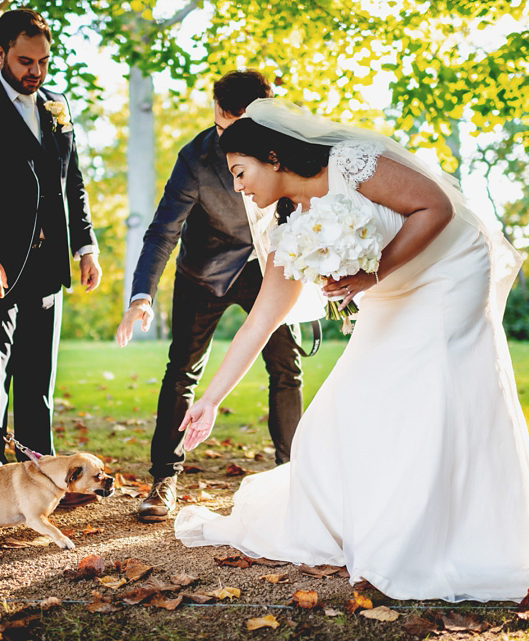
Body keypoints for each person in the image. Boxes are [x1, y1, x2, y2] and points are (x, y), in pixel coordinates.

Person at [173, 99, 529, 602]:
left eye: (240, 171)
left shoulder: (350, 163)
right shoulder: (289, 228)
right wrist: (211, 398)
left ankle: (444, 535)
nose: (237, 186)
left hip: (450, 272)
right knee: (345, 408)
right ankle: (359, 516)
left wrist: (371, 273)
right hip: (388, 290)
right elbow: (263, 317)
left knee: (437, 391)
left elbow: (437, 207)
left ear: (273, 157)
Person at [115, 71, 307, 523]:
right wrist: (141, 296)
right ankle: (164, 478)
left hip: (271, 269)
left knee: (287, 366)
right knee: (181, 369)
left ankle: (294, 476)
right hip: (204, 272)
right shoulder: (195, 158)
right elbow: (163, 230)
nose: (227, 142)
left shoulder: (293, 146)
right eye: (222, 128)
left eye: (238, 130)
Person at [0, 8, 101, 477]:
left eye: (44, 61)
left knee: (38, 380)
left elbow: (74, 183)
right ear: (1, 53)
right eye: (27, 61)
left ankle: (40, 476)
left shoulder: (58, 104)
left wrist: (85, 247)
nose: (37, 72)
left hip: (48, 265)